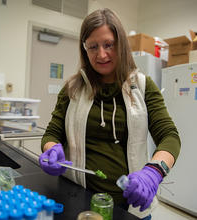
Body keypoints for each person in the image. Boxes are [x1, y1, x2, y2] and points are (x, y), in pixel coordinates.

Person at [39, 8, 181, 219]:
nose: (101, 54)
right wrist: (51, 150)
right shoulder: (72, 89)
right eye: (93, 47)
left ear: (121, 45)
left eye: (109, 45)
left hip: (132, 206)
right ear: (84, 49)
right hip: (79, 200)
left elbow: (170, 136)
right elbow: (52, 133)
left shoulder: (142, 86)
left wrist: (154, 172)